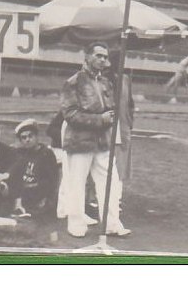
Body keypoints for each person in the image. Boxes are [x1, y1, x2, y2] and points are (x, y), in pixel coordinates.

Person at [60, 42, 131, 238]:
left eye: (105, 57)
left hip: (102, 142)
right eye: (98, 56)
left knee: (110, 183)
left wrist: (110, 117)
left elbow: (111, 108)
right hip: (80, 141)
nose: (102, 60)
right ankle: (75, 224)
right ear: (87, 57)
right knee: (77, 183)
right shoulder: (73, 82)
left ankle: (111, 224)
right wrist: (100, 119)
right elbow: (70, 113)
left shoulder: (106, 83)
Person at [7, 119, 59, 218]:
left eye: (30, 136)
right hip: (22, 190)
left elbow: (51, 181)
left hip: (37, 191)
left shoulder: (46, 154)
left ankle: (21, 208)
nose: (27, 139)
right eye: (24, 137)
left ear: (36, 137)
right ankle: (18, 206)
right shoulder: (21, 153)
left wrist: (33, 187)